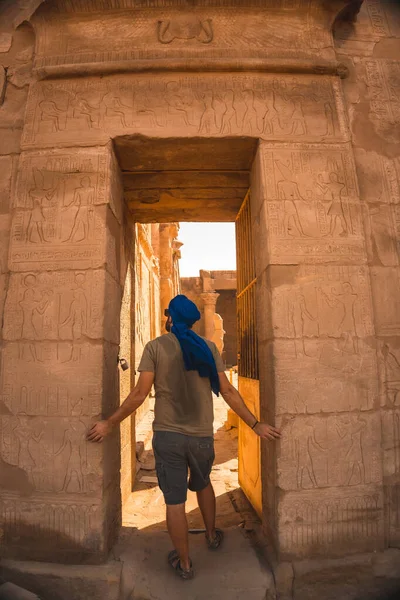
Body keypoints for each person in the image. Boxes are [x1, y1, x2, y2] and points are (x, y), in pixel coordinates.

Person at [87, 294, 281, 580]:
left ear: (170, 318)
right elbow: (227, 391)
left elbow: (140, 394)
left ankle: (186, 563)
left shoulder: (155, 347)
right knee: (204, 484)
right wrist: (255, 424)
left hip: (168, 437)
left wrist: (109, 424)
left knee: (175, 502)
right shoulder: (209, 348)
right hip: (202, 436)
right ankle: (212, 536)